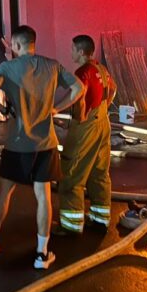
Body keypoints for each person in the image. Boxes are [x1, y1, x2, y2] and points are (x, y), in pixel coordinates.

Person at [0, 25, 84, 270]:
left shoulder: (7, 69)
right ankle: (42, 254)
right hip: (46, 144)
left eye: (12, 44)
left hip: (18, 144)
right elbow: (78, 88)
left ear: (17, 45)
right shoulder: (53, 66)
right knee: (43, 198)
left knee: (5, 192)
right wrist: (57, 108)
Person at [54, 35, 117, 235]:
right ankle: (100, 218)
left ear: (81, 52)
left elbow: (77, 93)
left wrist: (56, 110)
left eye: (73, 49)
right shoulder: (101, 68)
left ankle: (71, 226)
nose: (71, 52)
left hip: (86, 127)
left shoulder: (82, 72)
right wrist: (102, 107)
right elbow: (113, 89)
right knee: (99, 171)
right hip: (103, 122)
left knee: (72, 172)